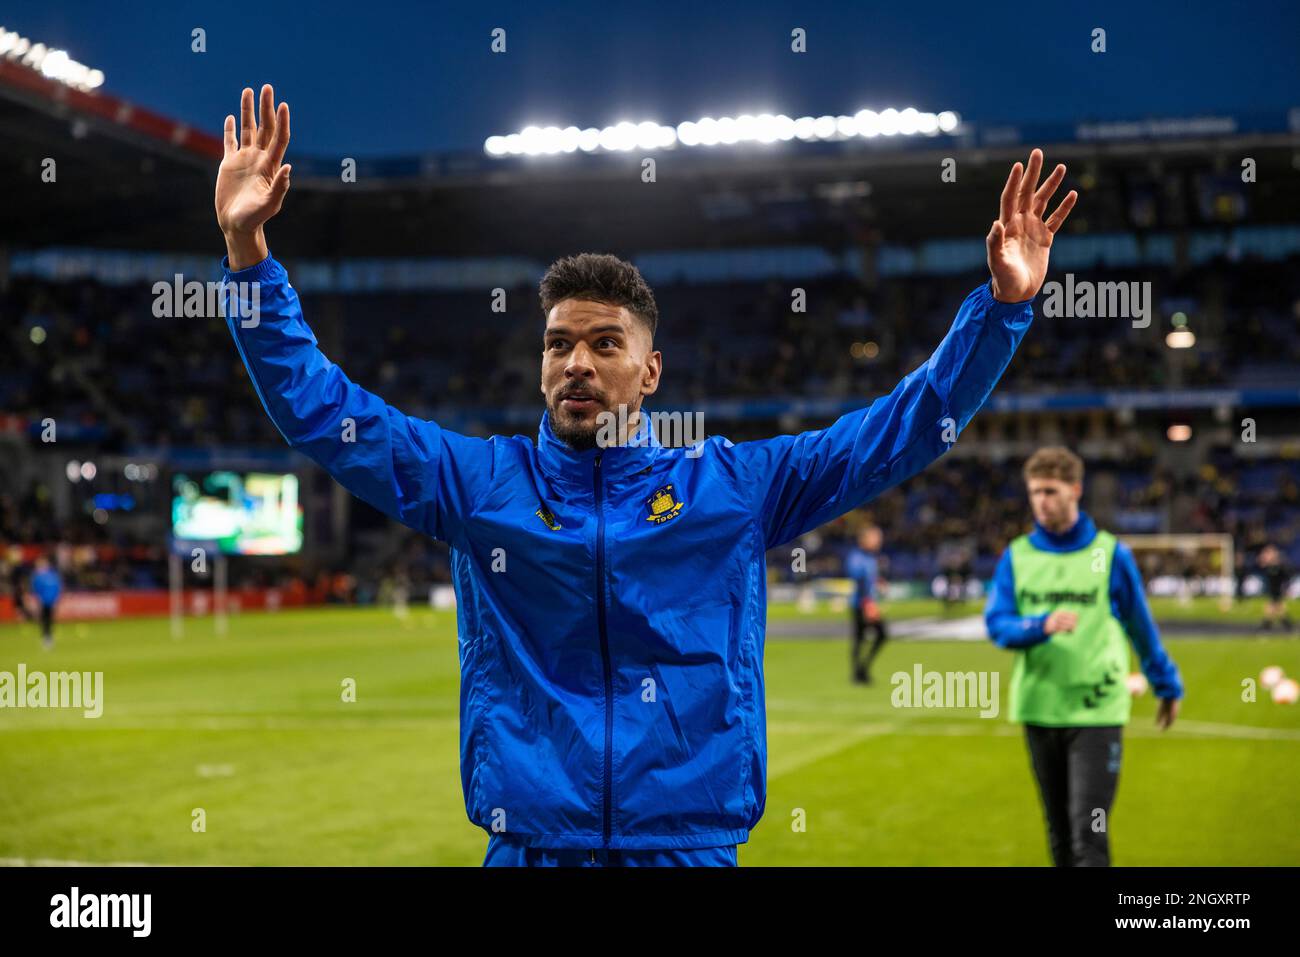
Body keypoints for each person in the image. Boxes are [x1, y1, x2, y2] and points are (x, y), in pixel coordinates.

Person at [216, 84, 1076, 866]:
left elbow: (901, 430)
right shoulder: (480, 484)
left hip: (686, 847)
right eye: (557, 345)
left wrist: (1001, 313)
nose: (576, 364)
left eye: (603, 343)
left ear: (650, 371)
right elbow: (322, 413)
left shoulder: (731, 487)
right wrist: (249, 254)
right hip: (531, 848)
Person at [984, 447, 1183, 867]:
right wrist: (1039, 625)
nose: (1042, 501)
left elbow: (1140, 628)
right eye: (1035, 492)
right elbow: (998, 625)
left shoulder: (1110, 555)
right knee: (1058, 838)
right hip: (1039, 707)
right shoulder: (1017, 556)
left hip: (1096, 711)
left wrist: (1167, 685)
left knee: (1088, 838)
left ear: (1075, 489)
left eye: (1051, 491)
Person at [845, 524, 888, 684]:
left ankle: (860, 671)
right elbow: (860, 581)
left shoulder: (870, 557)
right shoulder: (857, 557)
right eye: (876, 537)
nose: (879, 541)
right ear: (864, 539)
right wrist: (868, 604)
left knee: (864, 638)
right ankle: (859, 672)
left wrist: (879, 582)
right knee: (865, 637)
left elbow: (868, 578)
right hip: (861, 605)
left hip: (867, 603)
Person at [1256, 544, 1293, 632]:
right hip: (1272, 588)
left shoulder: (1279, 566)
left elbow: (1286, 577)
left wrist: (1286, 588)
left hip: (1277, 588)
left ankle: (1269, 624)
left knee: (1274, 606)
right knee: (1275, 606)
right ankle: (1283, 623)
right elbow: (1261, 564)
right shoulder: (1269, 566)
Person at [30, 556, 62, 650]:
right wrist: (36, 600)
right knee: (44, 620)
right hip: (42, 601)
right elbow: (35, 590)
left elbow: (58, 588)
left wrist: (57, 599)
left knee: (50, 620)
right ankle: (46, 638)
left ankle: (49, 637)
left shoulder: (53, 575)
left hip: (52, 601)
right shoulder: (37, 577)